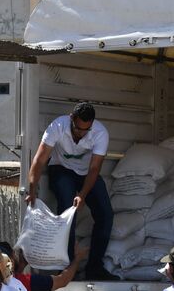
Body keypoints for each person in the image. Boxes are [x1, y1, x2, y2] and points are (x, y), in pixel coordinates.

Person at [25, 102, 117, 281]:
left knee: (106, 214)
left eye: (86, 130)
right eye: (78, 129)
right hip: (61, 168)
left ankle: (95, 267)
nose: (81, 133)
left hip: (86, 173)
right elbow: (39, 159)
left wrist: (82, 195)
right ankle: (66, 268)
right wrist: (32, 189)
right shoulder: (57, 126)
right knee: (68, 210)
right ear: (71, 119)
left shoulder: (100, 133)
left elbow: (94, 169)